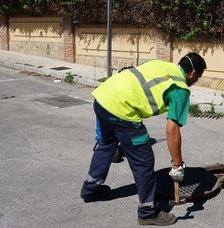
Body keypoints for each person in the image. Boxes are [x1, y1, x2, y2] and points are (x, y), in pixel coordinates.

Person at [80, 53, 207, 226]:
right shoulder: (180, 88)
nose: (195, 81)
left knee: (106, 144)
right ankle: (148, 212)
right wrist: (177, 165)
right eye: (197, 78)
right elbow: (172, 130)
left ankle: (90, 190)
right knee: (143, 160)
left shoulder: (162, 65)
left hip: (102, 98)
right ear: (192, 73)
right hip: (122, 111)